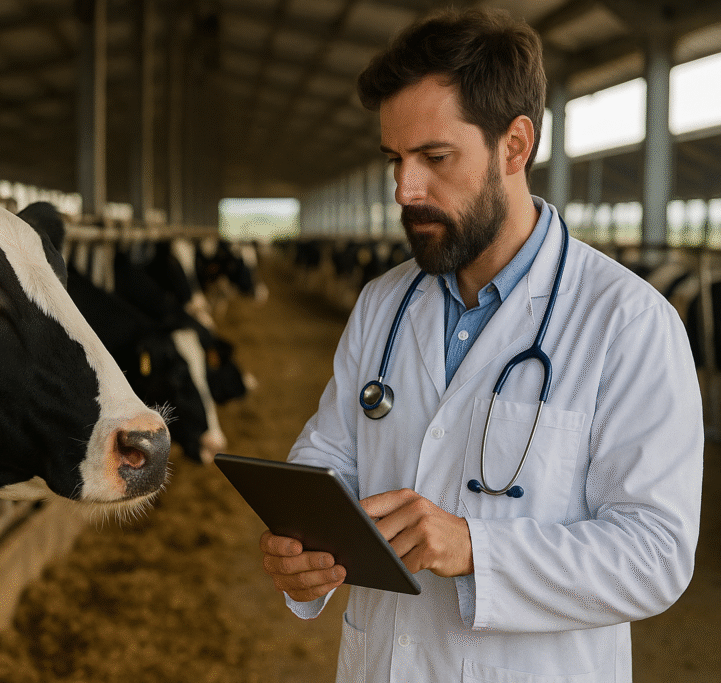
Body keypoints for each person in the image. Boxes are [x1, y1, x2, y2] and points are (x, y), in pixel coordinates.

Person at [259, 8, 703, 682]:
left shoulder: (627, 322)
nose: (406, 190)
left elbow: (656, 554)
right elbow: (328, 459)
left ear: (515, 146)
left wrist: (477, 547)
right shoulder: (383, 302)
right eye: (395, 160)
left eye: (435, 157)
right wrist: (303, 555)